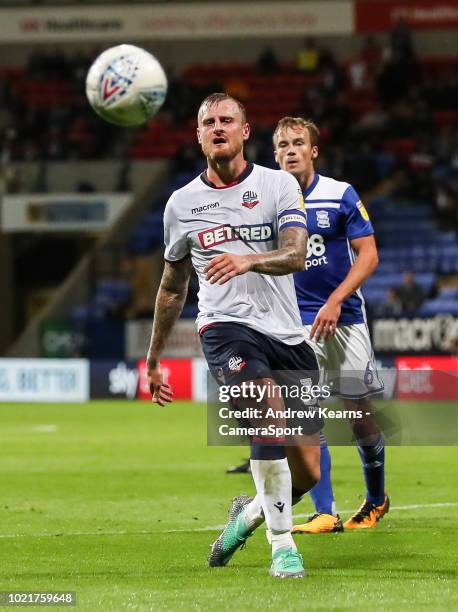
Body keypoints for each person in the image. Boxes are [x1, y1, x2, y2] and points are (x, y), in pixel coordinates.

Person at [146, 94, 323, 578]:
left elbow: (295, 255)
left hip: (288, 334)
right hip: (226, 331)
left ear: (246, 132)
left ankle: (248, 514)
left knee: (308, 470)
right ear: (198, 134)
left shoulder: (278, 184)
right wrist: (154, 356)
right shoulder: (181, 204)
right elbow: (172, 286)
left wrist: (247, 259)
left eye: (228, 120)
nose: (218, 127)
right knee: (265, 416)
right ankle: (283, 546)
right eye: (209, 122)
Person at [273, 117, 389, 532]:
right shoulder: (269, 202)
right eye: (283, 144)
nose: (290, 150)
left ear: (313, 151)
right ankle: (325, 511)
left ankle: (376, 500)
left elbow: (369, 255)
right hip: (296, 325)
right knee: (307, 416)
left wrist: (336, 300)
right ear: (274, 154)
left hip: (346, 319)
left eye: (298, 143)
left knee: (359, 415)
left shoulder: (340, 194)